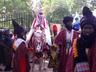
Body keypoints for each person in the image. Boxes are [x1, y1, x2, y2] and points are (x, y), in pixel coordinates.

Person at [70, 6, 96, 72]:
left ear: (94, 29)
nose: (87, 30)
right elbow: (71, 62)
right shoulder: (77, 42)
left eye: (90, 28)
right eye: (85, 28)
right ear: (82, 29)